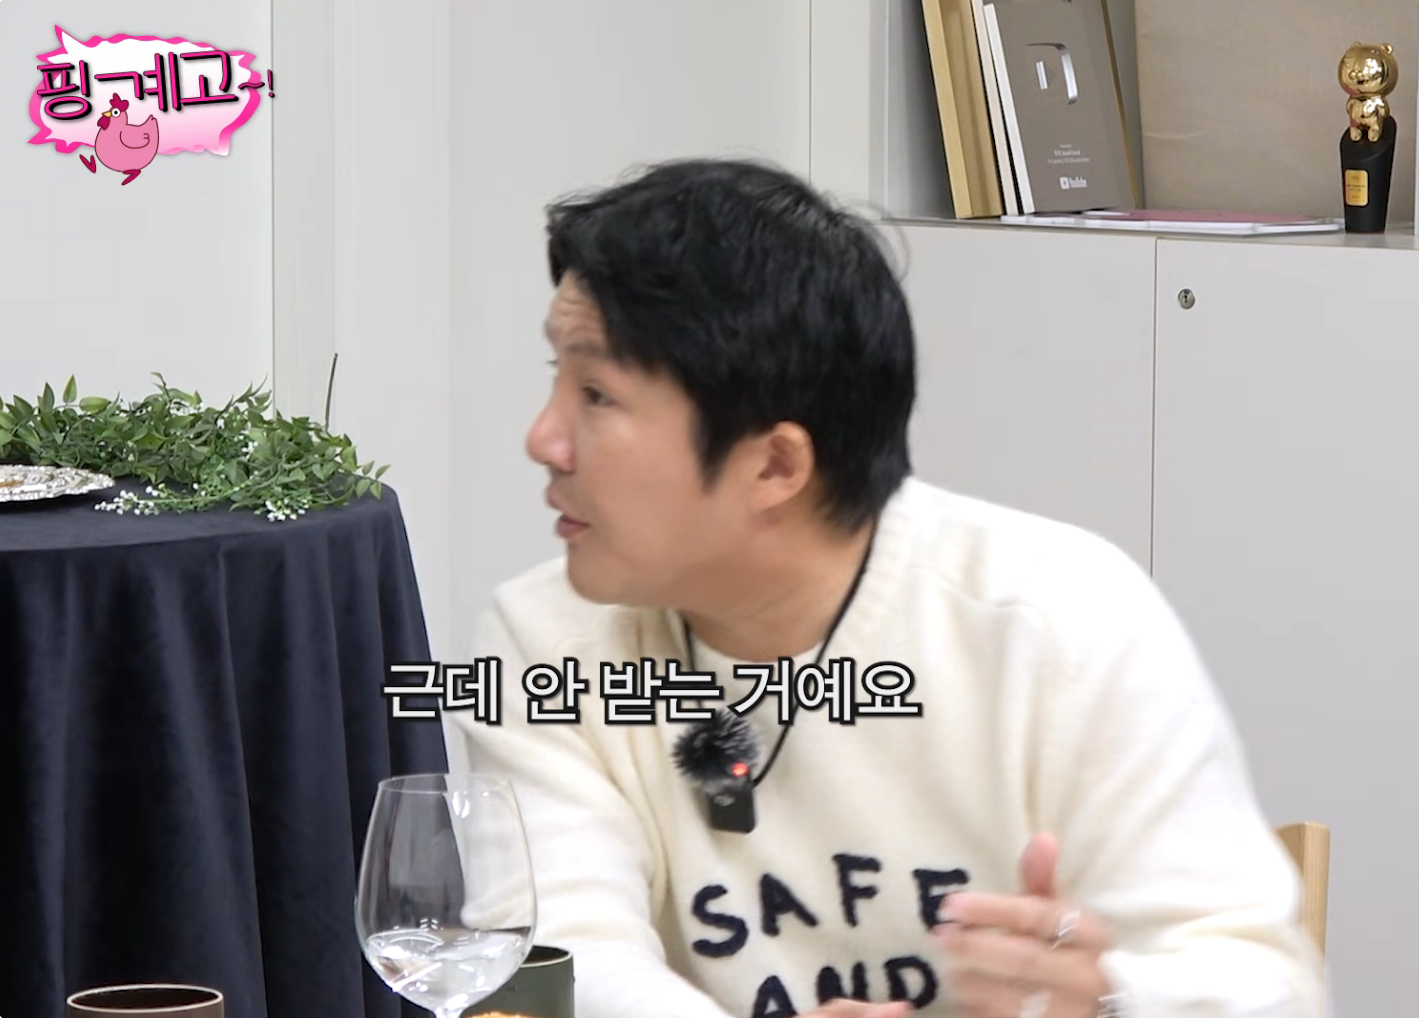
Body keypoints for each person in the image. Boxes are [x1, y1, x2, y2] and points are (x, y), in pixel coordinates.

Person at [445, 157, 1329, 1018]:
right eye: (557, 378)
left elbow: (1269, 989)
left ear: (775, 465)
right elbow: (559, 961)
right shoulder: (544, 642)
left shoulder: (1058, 625)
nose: (543, 439)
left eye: (597, 394)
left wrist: (1107, 1002)